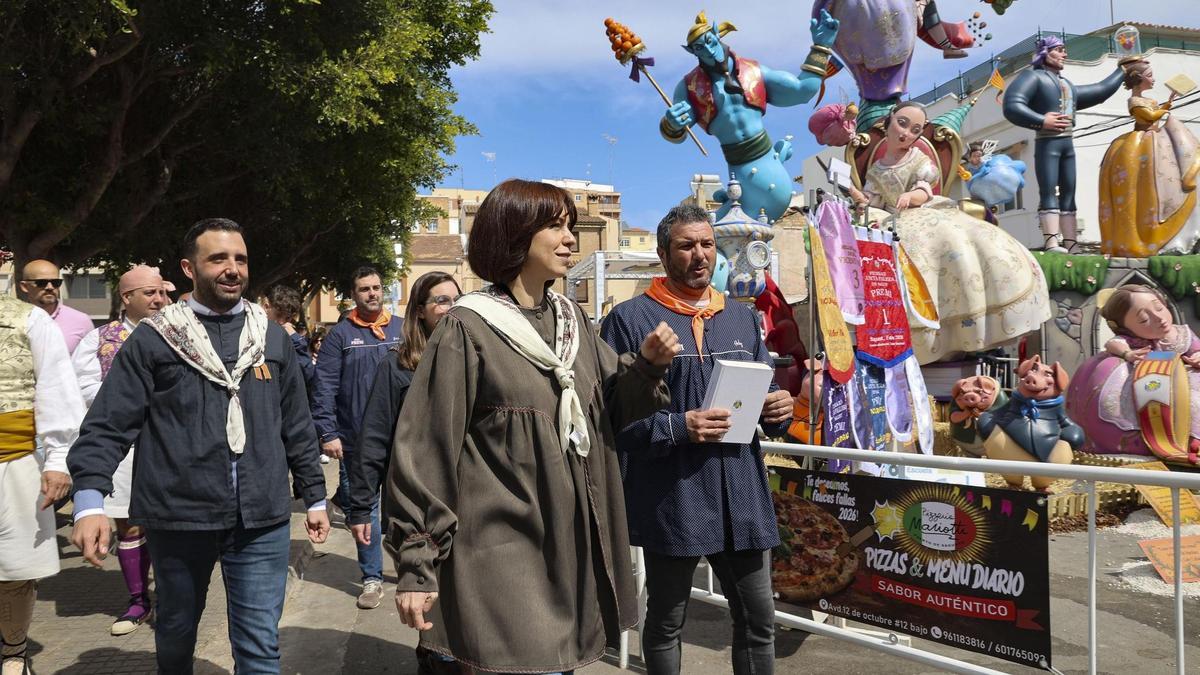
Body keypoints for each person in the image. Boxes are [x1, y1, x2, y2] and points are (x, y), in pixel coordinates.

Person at [384, 179, 680, 674]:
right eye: (555, 227)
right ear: (515, 234)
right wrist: (417, 563)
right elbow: (426, 449)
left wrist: (647, 366)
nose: (569, 239)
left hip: (570, 552)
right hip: (502, 554)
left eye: (569, 227)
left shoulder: (573, 323)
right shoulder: (468, 327)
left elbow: (606, 415)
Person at [68, 218, 330, 674]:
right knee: (175, 631)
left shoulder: (270, 337)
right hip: (179, 516)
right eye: (218, 259)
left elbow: (296, 423)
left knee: (259, 644)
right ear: (189, 269)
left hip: (261, 517)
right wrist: (89, 501)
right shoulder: (154, 338)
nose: (233, 269)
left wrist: (316, 496)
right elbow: (109, 424)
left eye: (240, 259)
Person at [600, 204, 793, 675]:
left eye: (707, 244)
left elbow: (763, 391)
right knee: (667, 622)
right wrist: (678, 427)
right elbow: (610, 419)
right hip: (673, 495)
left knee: (759, 620)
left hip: (741, 492)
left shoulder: (741, 319)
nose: (700, 254)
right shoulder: (629, 320)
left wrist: (777, 410)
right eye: (687, 246)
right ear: (663, 254)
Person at [846, 101, 1051, 363]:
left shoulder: (919, 159)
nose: (906, 133)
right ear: (889, 122)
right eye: (902, 124)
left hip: (921, 211)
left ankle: (964, 324)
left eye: (915, 129)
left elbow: (924, 190)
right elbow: (872, 202)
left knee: (954, 239)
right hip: (891, 219)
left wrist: (911, 196)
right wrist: (857, 197)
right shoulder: (877, 169)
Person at [661, 10, 839, 222]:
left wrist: (821, 46)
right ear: (693, 52)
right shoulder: (689, 88)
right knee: (723, 232)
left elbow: (802, 91)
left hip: (770, 166)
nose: (708, 50)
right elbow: (677, 134)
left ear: (718, 35)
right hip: (741, 178)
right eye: (699, 48)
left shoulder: (754, 72)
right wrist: (671, 123)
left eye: (709, 41)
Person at [70, 265, 169, 636]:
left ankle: (172, 597)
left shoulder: (180, 332)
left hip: (170, 445)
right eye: (149, 293)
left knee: (170, 525)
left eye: (161, 292)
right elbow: (82, 388)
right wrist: (129, 396)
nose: (159, 299)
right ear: (127, 298)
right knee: (129, 523)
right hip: (124, 449)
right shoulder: (99, 339)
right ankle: (138, 600)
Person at [0, 293, 84, 675]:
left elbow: (57, 389)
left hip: (13, 460)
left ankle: (13, 653)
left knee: (14, 567)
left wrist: (58, 460)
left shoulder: (29, 319)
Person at [312, 266, 402, 610]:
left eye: (376, 287)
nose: (372, 294)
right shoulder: (340, 335)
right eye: (364, 289)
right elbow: (324, 386)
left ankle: (410, 569)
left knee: (403, 507)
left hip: (400, 438)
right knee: (365, 509)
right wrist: (328, 432)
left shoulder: (401, 329)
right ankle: (372, 578)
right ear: (353, 294)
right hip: (356, 440)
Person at [1003, 36, 1125, 253]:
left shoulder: (1065, 84)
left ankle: (1071, 242)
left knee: (1069, 192)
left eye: (1064, 50)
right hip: (1047, 142)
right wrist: (1041, 120)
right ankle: (1051, 241)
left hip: (1067, 143)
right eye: (1059, 49)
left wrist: (1122, 71)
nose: (1064, 54)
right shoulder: (1033, 77)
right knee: (1049, 190)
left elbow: (1099, 91)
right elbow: (1012, 105)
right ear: (1045, 52)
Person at [1068, 284, 1200, 462]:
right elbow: (1113, 344)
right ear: (1126, 328)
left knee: (1193, 400)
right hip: (1148, 382)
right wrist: (1127, 354)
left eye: (1159, 308)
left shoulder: (1182, 333)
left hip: (1185, 378)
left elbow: (1196, 348)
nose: (1159, 318)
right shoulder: (1133, 340)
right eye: (1144, 320)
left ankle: (1195, 437)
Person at [1098, 59, 1200, 256]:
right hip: (1142, 139)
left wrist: (1169, 101)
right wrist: (1164, 109)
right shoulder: (1134, 102)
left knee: (1174, 165)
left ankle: (1187, 178)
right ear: (1139, 78)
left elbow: (1155, 113)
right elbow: (1150, 116)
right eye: (1150, 76)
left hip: (1156, 137)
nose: (1153, 79)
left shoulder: (1149, 100)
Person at [19, 259, 94, 354]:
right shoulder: (12, 320)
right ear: (25, 286)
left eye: (55, 282)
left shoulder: (81, 321)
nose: (50, 287)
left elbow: (92, 360)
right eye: (41, 283)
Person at [262, 285, 316, 391]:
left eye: (287, 318)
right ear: (266, 307)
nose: (282, 322)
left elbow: (308, 374)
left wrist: (296, 339)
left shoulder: (290, 338)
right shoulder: (252, 331)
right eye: (278, 315)